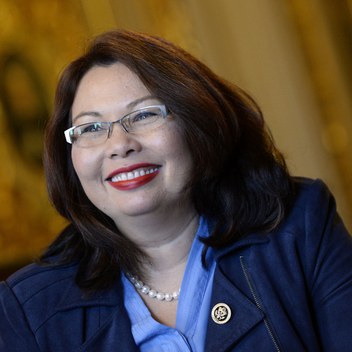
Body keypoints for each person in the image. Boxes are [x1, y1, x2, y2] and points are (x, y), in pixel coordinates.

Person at [0, 29, 351, 352]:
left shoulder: (300, 227)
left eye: (143, 115)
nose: (119, 145)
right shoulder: (28, 309)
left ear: (197, 122)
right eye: (91, 127)